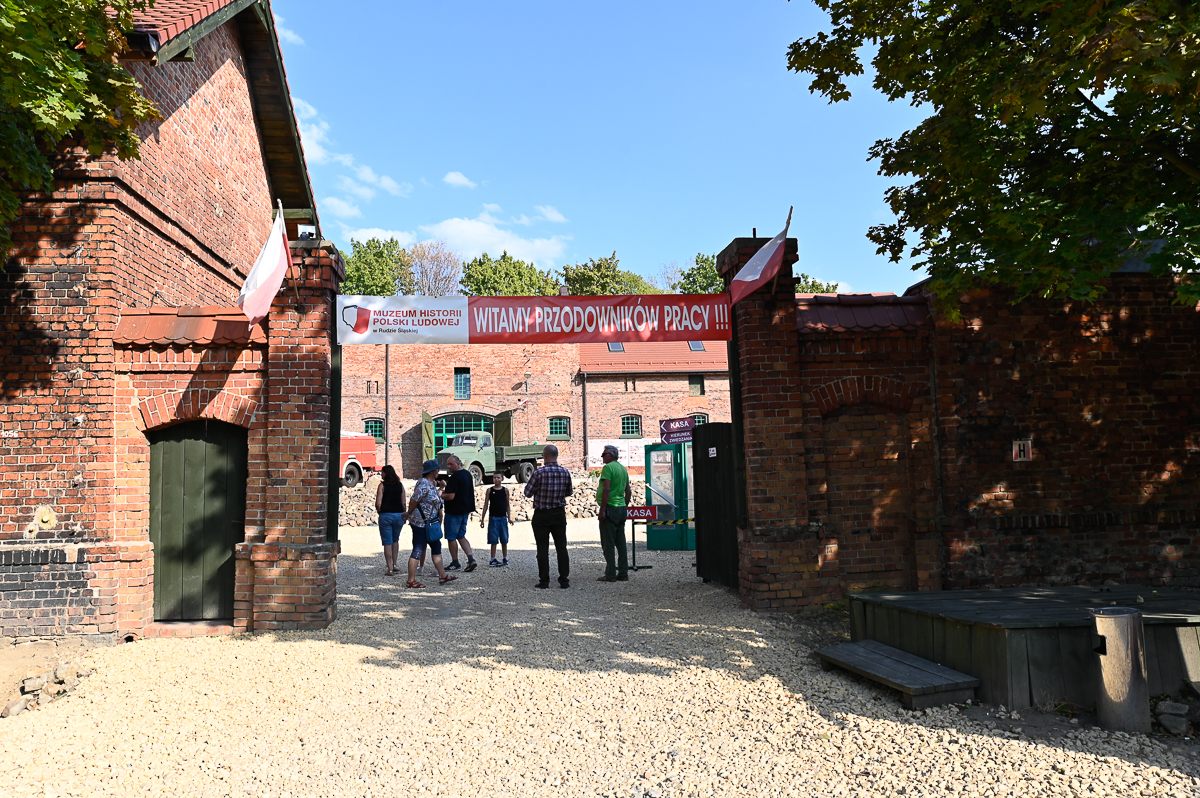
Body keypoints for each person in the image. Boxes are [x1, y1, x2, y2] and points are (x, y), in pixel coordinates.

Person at [523, 444, 572, 589]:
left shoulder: (539, 473)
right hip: (558, 513)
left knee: (542, 548)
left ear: (545, 455)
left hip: (542, 514)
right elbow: (569, 492)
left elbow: (528, 492)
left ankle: (544, 580)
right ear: (556, 455)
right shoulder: (565, 472)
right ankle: (564, 579)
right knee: (561, 547)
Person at [405, 459, 456, 589]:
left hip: (430, 523)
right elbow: (414, 500)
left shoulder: (431, 483)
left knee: (436, 546)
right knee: (418, 549)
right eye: (437, 469)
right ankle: (411, 580)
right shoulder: (423, 484)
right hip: (421, 523)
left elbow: (432, 499)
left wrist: (441, 489)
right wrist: (408, 513)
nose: (439, 471)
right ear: (433, 471)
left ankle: (442, 575)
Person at [595, 444, 632, 582]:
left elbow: (606, 489)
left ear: (610, 455)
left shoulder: (608, 468)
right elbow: (628, 491)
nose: (602, 457)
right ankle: (623, 573)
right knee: (621, 543)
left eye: (604, 454)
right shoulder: (623, 469)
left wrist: (603, 509)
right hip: (621, 508)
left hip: (610, 508)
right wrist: (625, 506)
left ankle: (610, 574)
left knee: (608, 543)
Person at [440, 455, 478, 572]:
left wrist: (440, 495)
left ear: (458, 463)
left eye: (451, 464)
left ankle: (455, 562)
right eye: (448, 464)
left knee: (451, 537)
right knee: (461, 535)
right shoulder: (467, 474)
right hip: (465, 511)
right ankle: (471, 558)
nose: (449, 467)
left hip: (454, 512)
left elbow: (450, 496)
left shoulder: (455, 477)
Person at [375, 465, 406, 576]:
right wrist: (404, 514)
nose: (381, 474)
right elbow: (403, 502)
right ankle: (395, 564)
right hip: (399, 515)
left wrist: (380, 511)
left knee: (387, 542)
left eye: (382, 472)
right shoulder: (400, 485)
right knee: (395, 540)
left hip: (385, 515)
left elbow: (378, 503)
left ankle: (389, 568)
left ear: (386, 473)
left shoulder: (382, 486)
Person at [479, 471, 512, 566]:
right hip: (493, 518)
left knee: (504, 539)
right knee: (493, 539)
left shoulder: (505, 490)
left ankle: (505, 558)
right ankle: (492, 559)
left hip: (503, 518)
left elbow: (507, 505)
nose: (496, 479)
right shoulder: (489, 490)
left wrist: (509, 517)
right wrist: (482, 519)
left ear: (502, 479)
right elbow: (485, 505)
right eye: (494, 477)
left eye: (498, 477)